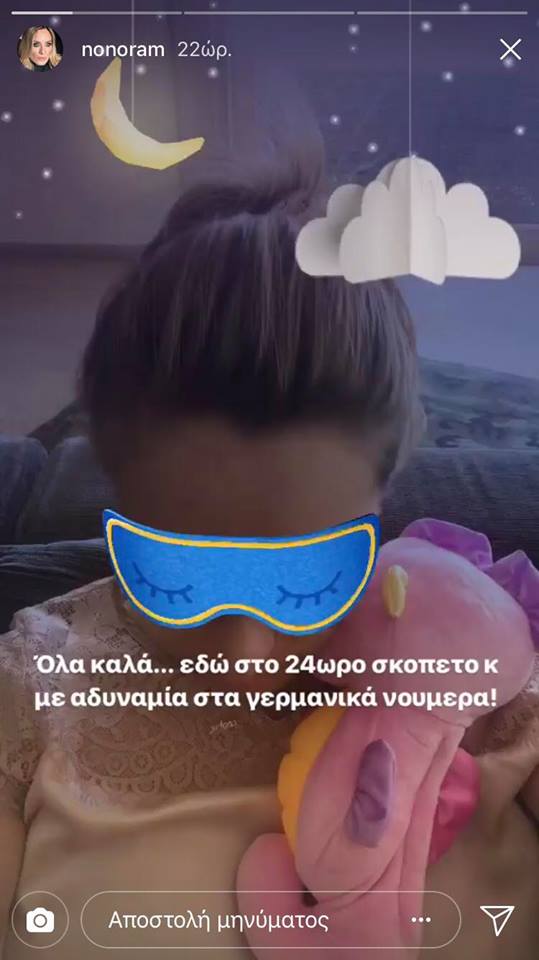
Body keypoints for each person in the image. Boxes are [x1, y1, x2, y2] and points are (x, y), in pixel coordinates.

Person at [0, 154, 537, 958]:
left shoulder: (484, 662)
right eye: (181, 574)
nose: (246, 659)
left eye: (306, 577)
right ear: (109, 495)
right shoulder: (29, 695)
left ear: (384, 496)